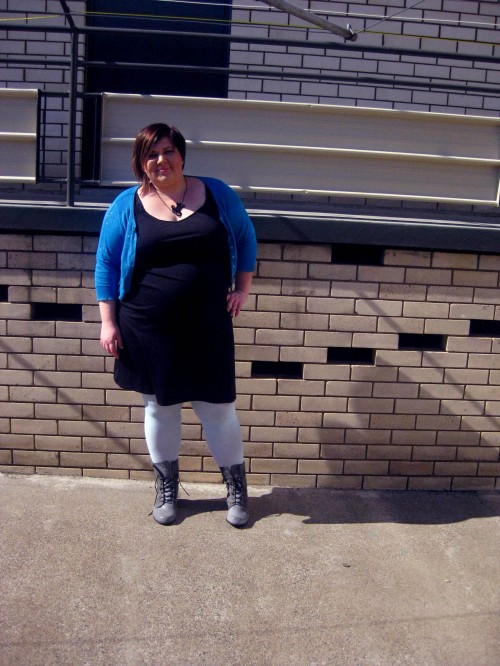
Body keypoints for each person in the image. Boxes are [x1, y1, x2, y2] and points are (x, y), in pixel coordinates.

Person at [95, 122, 257, 527]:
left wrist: (241, 290)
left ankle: (235, 490)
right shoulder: (125, 205)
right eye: (151, 154)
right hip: (146, 325)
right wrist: (107, 322)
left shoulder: (216, 193)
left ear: (181, 155)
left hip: (207, 326)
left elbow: (246, 239)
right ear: (141, 163)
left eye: (167, 151)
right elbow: (106, 264)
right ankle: (167, 488)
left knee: (218, 408)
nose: (160, 160)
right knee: (159, 407)